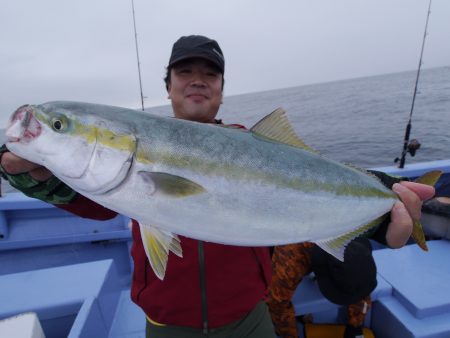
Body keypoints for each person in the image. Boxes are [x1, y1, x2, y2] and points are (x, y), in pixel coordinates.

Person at [0, 35, 435, 338]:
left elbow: (317, 183)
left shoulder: (258, 146)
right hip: (167, 324)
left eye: (210, 73)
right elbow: (86, 198)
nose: (197, 79)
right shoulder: (117, 177)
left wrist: (388, 212)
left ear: (223, 90)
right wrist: (30, 172)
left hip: (249, 317)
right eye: (184, 71)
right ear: (167, 87)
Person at [267, 240, 376, 338]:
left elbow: (361, 286)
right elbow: (276, 302)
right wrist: (289, 335)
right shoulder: (290, 260)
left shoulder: (357, 246)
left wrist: (355, 325)